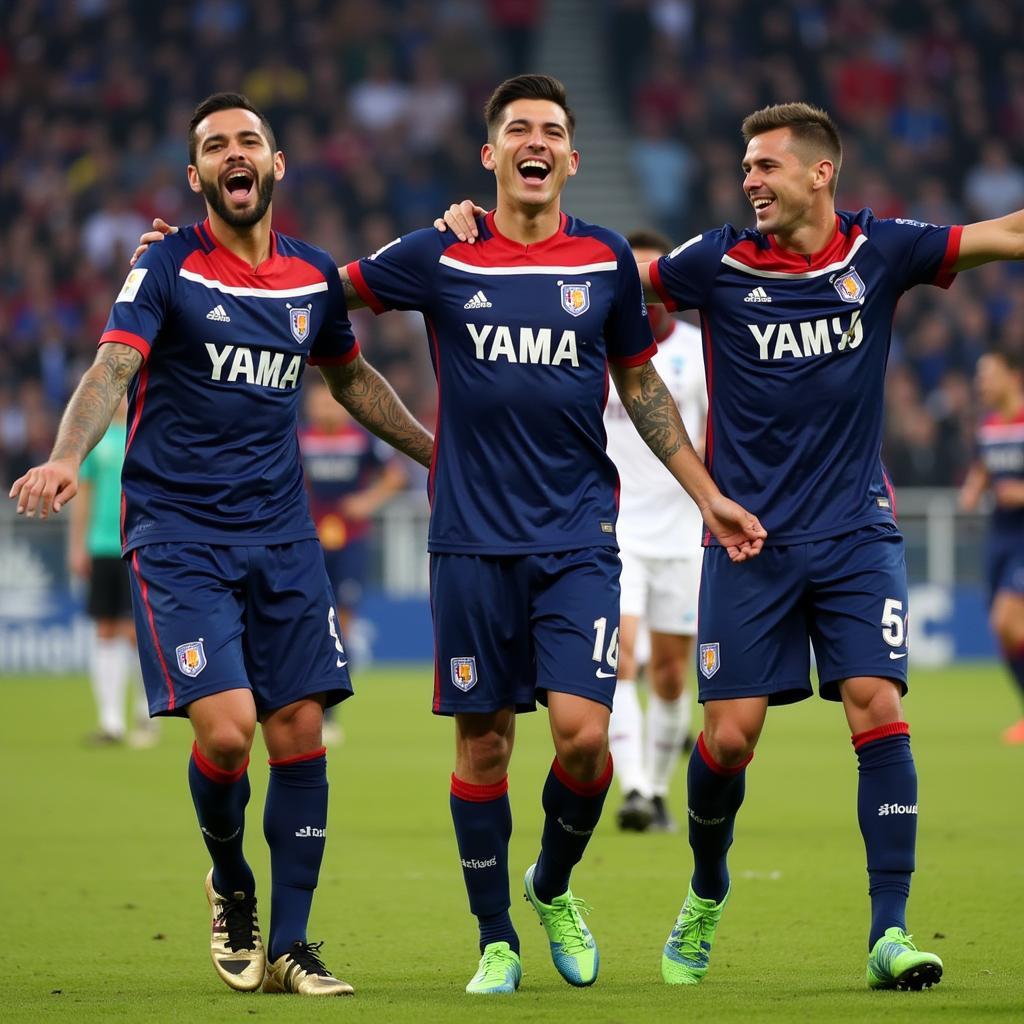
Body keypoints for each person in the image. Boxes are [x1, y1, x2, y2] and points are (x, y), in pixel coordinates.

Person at [132, 74, 765, 998]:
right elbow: (312, 293)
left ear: (571, 158)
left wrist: (704, 492)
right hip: (469, 541)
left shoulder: (603, 265)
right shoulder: (440, 252)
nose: (534, 141)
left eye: (551, 128)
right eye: (518, 128)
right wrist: (193, 259)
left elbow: (641, 387)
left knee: (586, 742)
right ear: (493, 154)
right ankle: (496, 938)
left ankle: (550, 884)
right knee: (484, 748)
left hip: (579, 535)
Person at [442, 98, 1024, 991]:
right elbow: (611, 274)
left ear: (820, 172)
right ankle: (707, 887)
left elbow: (1003, 231)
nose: (749, 180)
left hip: (857, 528)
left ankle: (891, 930)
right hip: (748, 538)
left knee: (875, 701)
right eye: (745, 167)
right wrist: (486, 238)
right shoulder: (714, 262)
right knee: (731, 738)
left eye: (767, 166)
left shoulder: (883, 251)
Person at [10, 92, 433, 998]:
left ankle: (291, 942)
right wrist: (63, 456)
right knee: (231, 733)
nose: (233, 154)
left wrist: (438, 453)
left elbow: (351, 379)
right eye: (214, 146)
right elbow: (112, 366)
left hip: (282, 535)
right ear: (197, 176)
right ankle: (232, 881)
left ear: (277, 166)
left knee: (301, 730)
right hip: (179, 533)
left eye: (249, 141)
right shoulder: (166, 264)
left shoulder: (312, 277)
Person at [604, 230, 705, 834]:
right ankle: (636, 789)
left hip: (684, 533)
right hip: (617, 529)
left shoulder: (697, 352)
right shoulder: (599, 349)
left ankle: (659, 789)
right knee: (621, 662)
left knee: (670, 674)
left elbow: (718, 435)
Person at [299, 374, 408, 743]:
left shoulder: (362, 438)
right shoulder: (298, 437)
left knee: (340, 623)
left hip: (350, 541)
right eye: (318, 402)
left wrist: (366, 502)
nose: (324, 408)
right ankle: (301, 703)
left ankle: (330, 711)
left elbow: (395, 476)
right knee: (308, 618)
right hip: (307, 541)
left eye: (330, 401)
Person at [69, 396, 156, 748]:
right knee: (105, 629)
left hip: (140, 542)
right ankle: (111, 720)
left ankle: (144, 711)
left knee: (136, 631)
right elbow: (84, 496)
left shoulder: (146, 434)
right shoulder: (99, 440)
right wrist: (77, 546)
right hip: (103, 546)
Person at [959, 350, 1024, 744]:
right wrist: (973, 489)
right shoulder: (987, 426)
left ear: (1013, 376)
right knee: (1003, 632)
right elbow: (985, 468)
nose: (982, 383)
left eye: (990, 375)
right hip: (999, 535)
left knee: (1006, 620)